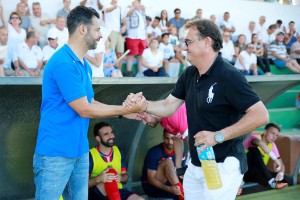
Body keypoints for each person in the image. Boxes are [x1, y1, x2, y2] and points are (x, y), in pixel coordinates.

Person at [124, 19, 269, 200]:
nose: (184, 47)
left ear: (206, 42)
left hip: (224, 164)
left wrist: (218, 136)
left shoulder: (229, 75)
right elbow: (168, 106)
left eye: (188, 42)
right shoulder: (190, 74)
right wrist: (143, 105)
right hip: (197, 163)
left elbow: (261, 115)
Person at [33, 6, 147, 200]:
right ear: (83, 29)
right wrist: (124, 108)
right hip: (55, 154)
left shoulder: (83, 64)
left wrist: (123, 112)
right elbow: (84, 109)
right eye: (97, 29)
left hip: (79, 152)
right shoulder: (63, 62)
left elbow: (90, 101)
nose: (101, 35)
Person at [88, 122, 144, 200]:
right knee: (109, 175)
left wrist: (120, 178)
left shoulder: (118, 151)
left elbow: (125, 177)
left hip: (117, 191)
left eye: (112, 132)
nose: (112, 136)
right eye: (106, 134)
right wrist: (98, 179)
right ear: (98, 138)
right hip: (97, 195)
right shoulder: (90, 155)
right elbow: (81, 185)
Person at [138, 103, 188, 169]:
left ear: (152, 112)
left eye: (144, 118)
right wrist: (178, 166)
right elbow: (177, 139)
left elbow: (194, 138)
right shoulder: (164, 122)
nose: (144, 123)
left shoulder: (170, 115)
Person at [243, 123, 292, 189]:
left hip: (258, 173)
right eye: (272, 133)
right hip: (245, 171)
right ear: (265, 132)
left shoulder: (272, 145)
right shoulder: (255, 137)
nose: (274, 137)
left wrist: (281, 174)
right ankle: (272, 182)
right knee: (254, 150)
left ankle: (271, 182)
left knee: (286, 179)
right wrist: (275, 159)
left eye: (276, 135)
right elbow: (260, 143)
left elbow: (282, 165)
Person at [141, 129, 185, 200]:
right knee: (168, 162)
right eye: (167, 138)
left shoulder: (180, 153)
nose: (170, 142)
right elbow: (151, 179)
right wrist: (169, 189)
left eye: (172, 139)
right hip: (153, 188)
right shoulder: (154, 152)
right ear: (163, 138)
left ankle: (182, 194)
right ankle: (182, 196)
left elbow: (181, 176)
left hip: (173, 188)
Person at [125, 0, 147, 77]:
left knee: (141, 55)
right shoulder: (129, 8)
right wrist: (134, 7)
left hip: (142, 37)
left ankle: (140, 73)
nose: (138, 4)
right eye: (136, 2)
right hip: (132, 36)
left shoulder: (141, 11)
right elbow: (128, 14)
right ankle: (129, 72)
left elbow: (144, 25)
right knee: (131, 55)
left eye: (138, 2)